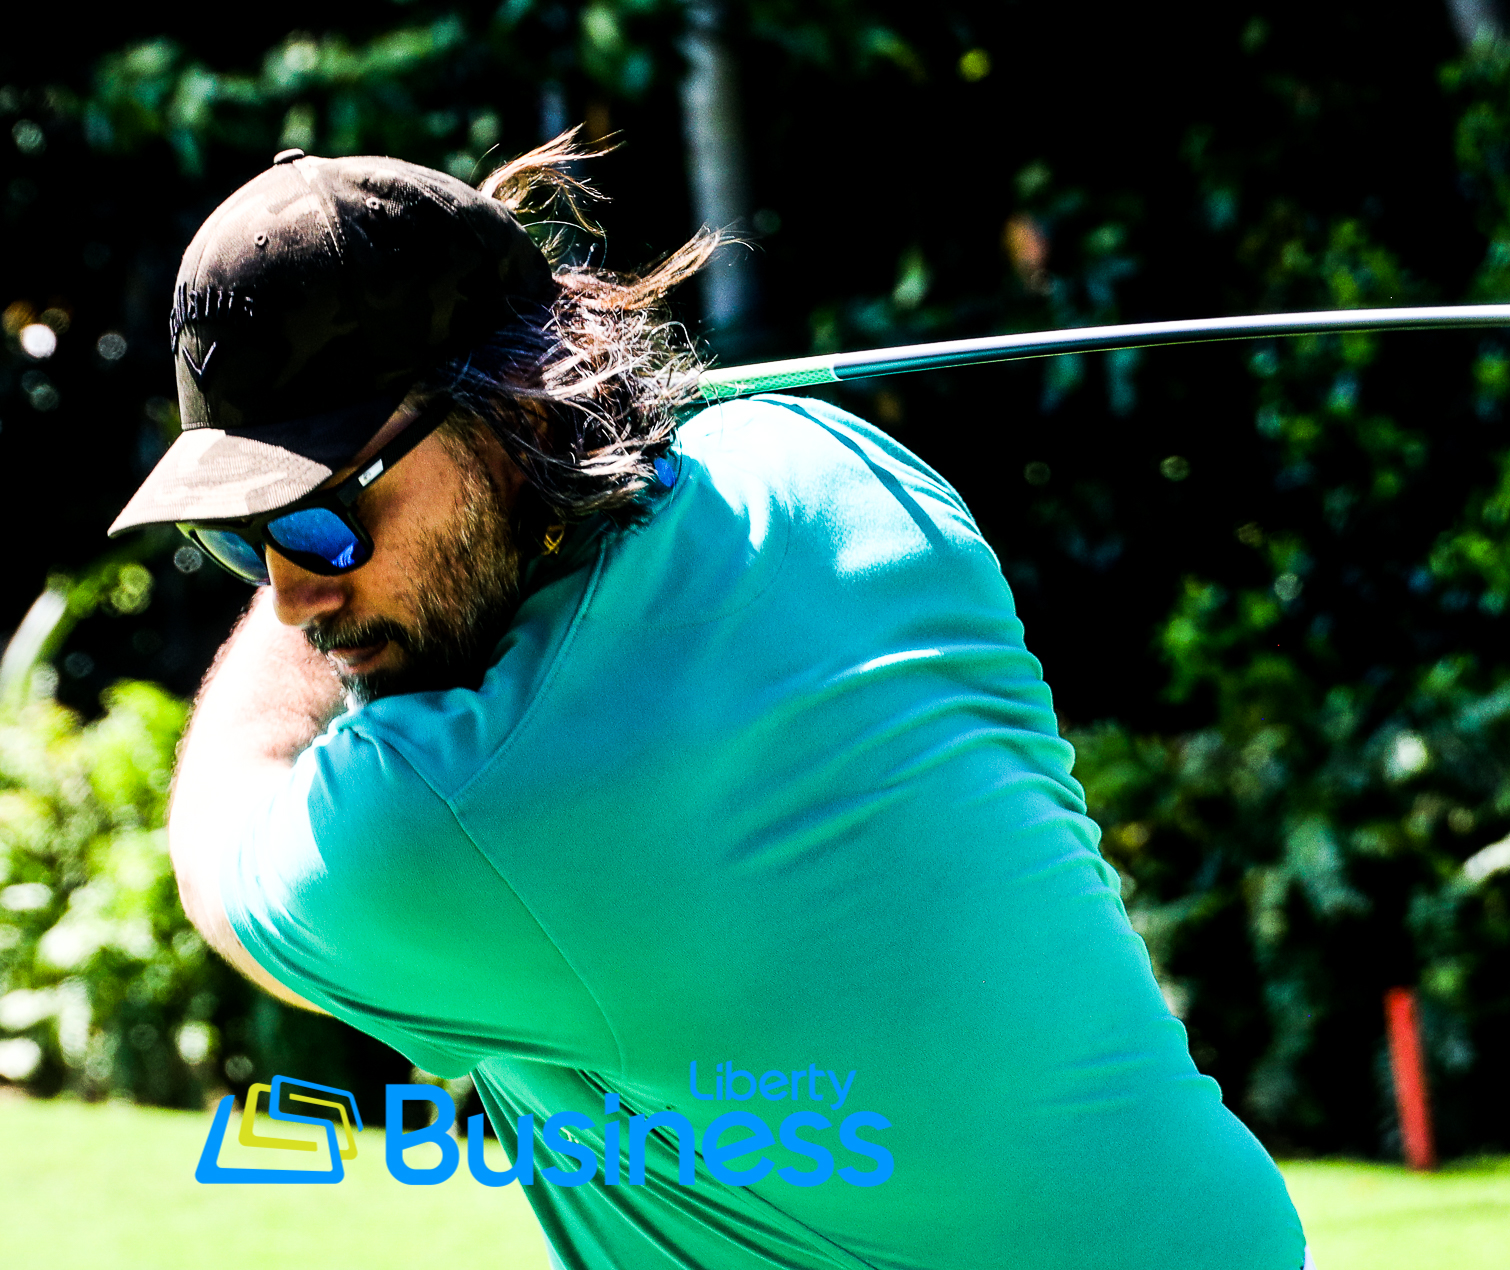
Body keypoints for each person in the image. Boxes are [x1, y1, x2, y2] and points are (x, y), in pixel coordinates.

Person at [113, 136, 1308, 1270]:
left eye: (324, 517)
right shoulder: (831, 464)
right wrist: (555, 437)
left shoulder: (446, 821)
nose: (291, 596)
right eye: (241, 537)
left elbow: (223, 836)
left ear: (518, 414)